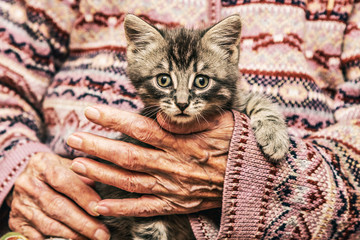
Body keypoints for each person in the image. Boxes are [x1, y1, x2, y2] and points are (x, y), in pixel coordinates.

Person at [0, 0, 359, 239]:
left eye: (200, 82)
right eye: (167, 83)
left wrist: (269, 176)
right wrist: (18, 167)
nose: (184, 101)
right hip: (69, 210)